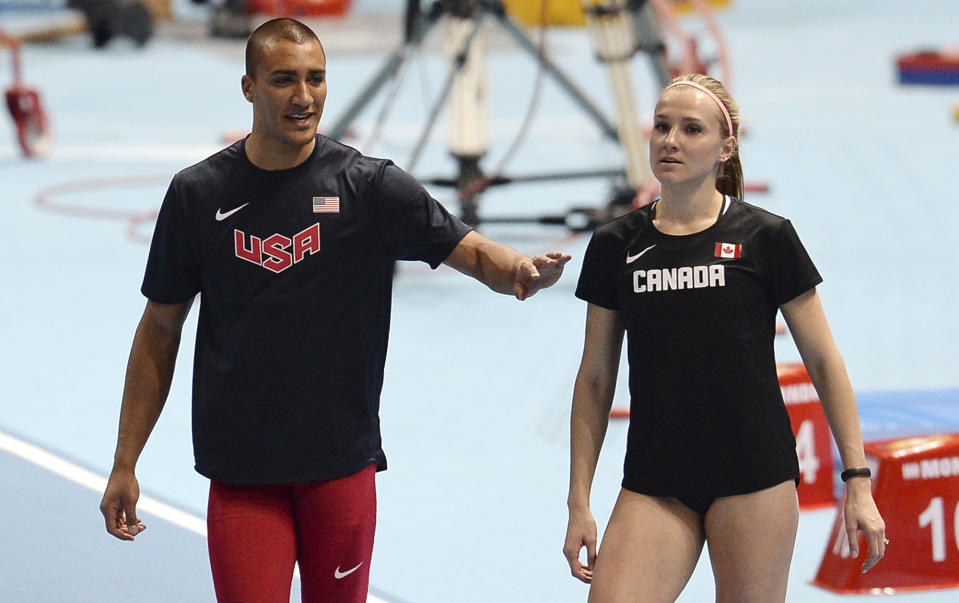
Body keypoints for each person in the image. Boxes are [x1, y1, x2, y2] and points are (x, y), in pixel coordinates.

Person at [99, 17, 570, 603]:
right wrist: (125, 461)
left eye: (316, 79)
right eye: (283, 80)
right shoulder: (198, 194)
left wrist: (519, 271)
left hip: (339, 467)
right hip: (243, 471)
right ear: (248, 87)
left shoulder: (369, 188)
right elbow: (159, 330)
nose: (304, 97)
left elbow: (469, 250)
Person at [562, 73, 886, 602]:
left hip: (754, 477)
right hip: (656, 480)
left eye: (691, 130)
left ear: (725, 147)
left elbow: (825, 362)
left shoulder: (766, 238)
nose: (671, 140)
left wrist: (858, 480)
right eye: (663, 126)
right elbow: (596, 377)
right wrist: (579, 500)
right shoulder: (616, 244)